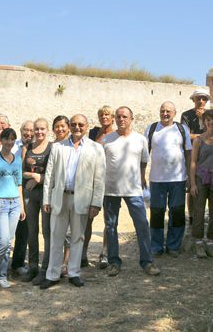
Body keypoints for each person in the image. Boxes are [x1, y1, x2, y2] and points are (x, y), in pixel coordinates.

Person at [40, 114, 106, 289]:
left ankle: (74, 272)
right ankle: (52, 274)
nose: (77, 127)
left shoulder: (96, 148)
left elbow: (99, 178)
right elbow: (50, 175)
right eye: (74, 124)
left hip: (82, 198)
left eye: (81, 125)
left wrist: (96, 203)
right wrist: (47, 198)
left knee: (78, 237)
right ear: (70, 126)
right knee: (56, 237)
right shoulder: (58, 147)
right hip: (60, 197)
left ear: (86, 126)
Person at [102, 106, 161, 276]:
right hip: (111, 190)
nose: (121, 119)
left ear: (131, 119)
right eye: (118, 116)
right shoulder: (107, 140)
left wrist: (142, 177)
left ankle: (147, 262)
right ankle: (114, 262)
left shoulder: (141, 139)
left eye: (125, 116)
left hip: (134, 190)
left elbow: (143, 161)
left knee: (142, 225)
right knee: (111, 227)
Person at [145, 101, 192, 257]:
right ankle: (157, 246)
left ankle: (173, 246)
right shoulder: (152, 129)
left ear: (174, 113)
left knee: (177, 212)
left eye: (168, 111)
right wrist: (141, 175)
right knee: (157, 213)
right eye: (162, 110)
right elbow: (144, 155)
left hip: (178, 179)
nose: (165, 114)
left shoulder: (182, 129)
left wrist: (190, 177)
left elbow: (188, 154)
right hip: (157, 179)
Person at [0, 128, 26, 289]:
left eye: (12, 140)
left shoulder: (17, 160)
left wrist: (21, 206)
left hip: (15, 203)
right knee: (2, 241)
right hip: (0, 203)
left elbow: (19, 183)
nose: (9, 142)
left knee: (8, 242)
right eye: (6, 139)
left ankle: (2, 276)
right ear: (0, 141)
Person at [189, 109, 213, 258]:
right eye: (208, 119)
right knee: (198, 211)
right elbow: (193, 162)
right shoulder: (198, 140)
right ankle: (198, 243)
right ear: (204, 122)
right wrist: (192, 184)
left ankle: (211, 242)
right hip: (200, 178)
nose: (212, 122)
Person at [20, 119, 53, 285]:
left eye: (42, 129)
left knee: (47, 231)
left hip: (46, 194)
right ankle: (33, 266)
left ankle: (45, 268)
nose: (39, 132)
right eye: (36, 129)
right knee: (31, 231)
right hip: (30, 193)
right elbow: (21, 171)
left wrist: (40, 179)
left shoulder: (53, 148)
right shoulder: (27, 148)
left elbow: (55, 173)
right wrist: (33, 176)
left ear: (47, 130)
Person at [82, 105, 115, 269]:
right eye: (102, 114)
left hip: (108, 181)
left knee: (108, 220)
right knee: (87, 219)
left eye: (107, 114)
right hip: (92, 181)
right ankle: (83, 253)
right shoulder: (94, 133)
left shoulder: (116, 135)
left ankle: (105, 252)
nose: (104, 117)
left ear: (113, 117)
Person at [181, 88, 210, 225]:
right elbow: (185, 135)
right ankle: (192, 217)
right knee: (191, 186)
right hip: (191, 153)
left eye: (204, 98)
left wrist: (202, 120)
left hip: (208, 155)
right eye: (198, 98)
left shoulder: (210, 115)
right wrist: (203, 135)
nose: (201, 101)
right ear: (193, 100)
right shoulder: (186, 115)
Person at [11, 120, 35, 276]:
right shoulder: (13, 145)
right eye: (25, 130)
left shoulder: (38, 148)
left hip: (30, 191)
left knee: (25, 228)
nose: (28, 133)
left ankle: (19, 262)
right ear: (21, 131)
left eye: (31, 130)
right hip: (10, 190)